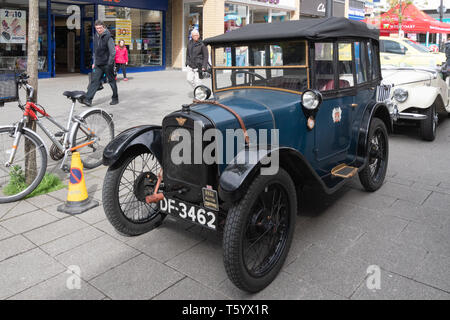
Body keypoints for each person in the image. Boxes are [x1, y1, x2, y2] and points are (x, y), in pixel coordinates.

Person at [81, 20, 118, 106]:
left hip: (107, 64)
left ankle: (115, 98)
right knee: (94, 81)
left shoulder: (108, 37)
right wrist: (94, 62)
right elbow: (95, 51)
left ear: (103, 27)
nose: (98, 30)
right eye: (97, 28)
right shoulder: (96, 36)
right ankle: (88, 99)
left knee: (111, 81)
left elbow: (113, 52)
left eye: (100, 28)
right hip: (98, 64)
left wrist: (110, 63)